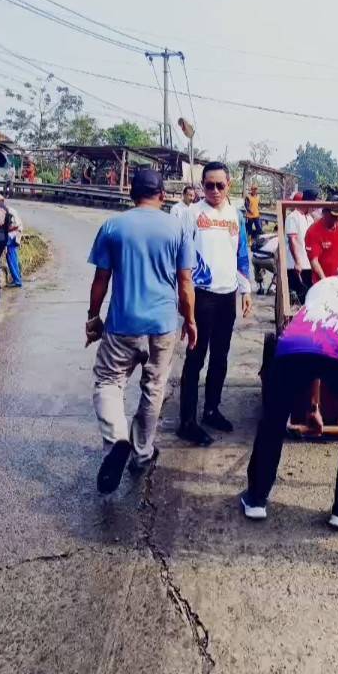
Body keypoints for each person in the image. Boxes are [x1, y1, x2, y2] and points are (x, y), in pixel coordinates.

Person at [242, 247, 338, 528]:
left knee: (273, 419)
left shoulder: (320, 286)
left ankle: (256, 498)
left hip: (291, 347)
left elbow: (315, 353)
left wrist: (313, 407)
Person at [86, 168, 197, 493]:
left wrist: (93, 318)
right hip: (162, 325)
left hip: (123, 323)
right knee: (153, 387)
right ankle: (142, 453)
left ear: (132, 193)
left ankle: (117, 439)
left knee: (108, 382)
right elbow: (186, 283)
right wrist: (190, 320)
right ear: (163, 195)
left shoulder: (113, 226)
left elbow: (100, 280)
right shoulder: (177, 228)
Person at [178, 161, 252, 445]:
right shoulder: (191, 214)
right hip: (201, 294)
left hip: (227, 295)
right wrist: (183, 303)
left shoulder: (236, 216)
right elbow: (180, 258)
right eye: (209, 185)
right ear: (202, 186)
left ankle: (211, 409)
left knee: (220, 356)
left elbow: (241, 254)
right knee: (196, 357)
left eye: (220, 185)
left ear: (229, 185)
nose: (215, 190)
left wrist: (246, 290)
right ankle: (187, 421)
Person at [286, 190, 315, 305]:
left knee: (308, 298)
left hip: (308, 265)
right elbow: (292, 240)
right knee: (297, 299)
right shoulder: (293, 217)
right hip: (296, 266)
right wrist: (297, 262)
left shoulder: (310, 218)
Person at [5, 204, 23, 288]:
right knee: (14, 256)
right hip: (16, 234)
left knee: (10, 257)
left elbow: (14, 226)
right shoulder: (10, 209)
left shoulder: (6, 211)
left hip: (12, 234)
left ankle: (17, 280)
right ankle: (17, 278)